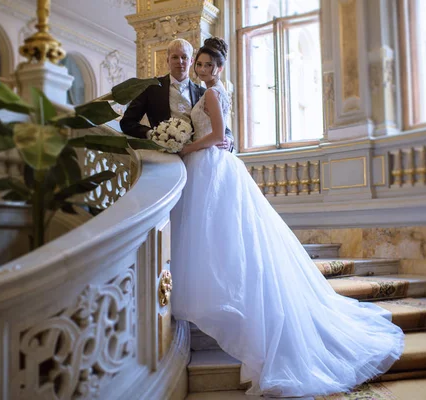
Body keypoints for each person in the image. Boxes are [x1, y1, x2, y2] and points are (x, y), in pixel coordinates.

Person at [170, 37, 405, 398]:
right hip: (212, 168)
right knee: (219, 239)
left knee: (218, 237)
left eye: (206, 65)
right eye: (197, 64)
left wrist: (187, 147)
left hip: (210, 168)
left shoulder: (213, 94)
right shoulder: (214, 93)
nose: (201, 70)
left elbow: (217, 134)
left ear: (218, 68)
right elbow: (222, 135)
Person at [119, 38, 233, 151]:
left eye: (184, 57)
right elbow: (127, 122)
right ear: (167, 60)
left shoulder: (204, 93)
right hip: (163, 155)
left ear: (191, 61)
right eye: (175, 57)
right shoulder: (151, 87)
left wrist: (228, 140)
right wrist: (153, 134)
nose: (180, 61)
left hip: (195, 153)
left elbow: (222, 128)